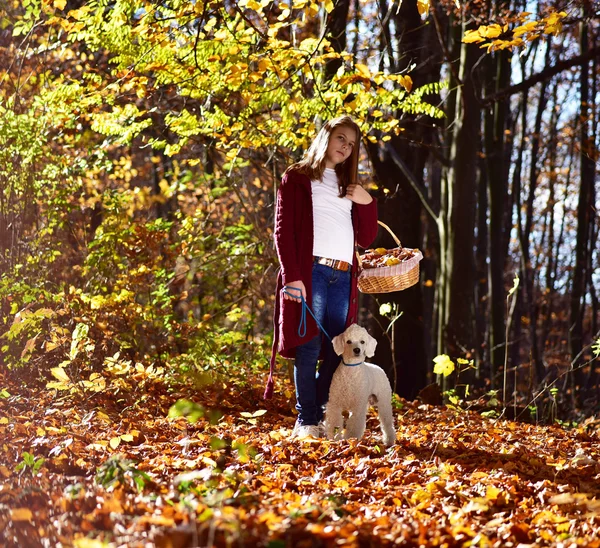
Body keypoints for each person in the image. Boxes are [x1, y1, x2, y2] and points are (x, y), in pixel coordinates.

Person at [264, 115, 378, 439]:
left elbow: (367, 237)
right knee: (308, 347)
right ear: (326, 136)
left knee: (336, 349)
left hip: (342, 278)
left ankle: (317, 412)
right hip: (310, 271)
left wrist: (367, 201)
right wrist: (292, 276)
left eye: (352, 144)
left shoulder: (349, 186)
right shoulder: (297, 178)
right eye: (341, 138)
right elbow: (283, 232)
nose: (346, 147)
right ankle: (307, 420)